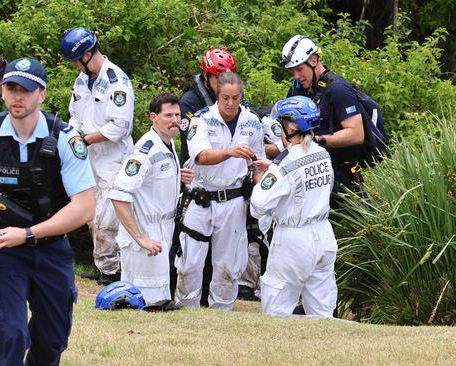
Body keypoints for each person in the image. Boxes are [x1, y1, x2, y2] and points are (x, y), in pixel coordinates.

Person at [0, 57, 96, 365]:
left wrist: (27, 234)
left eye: (26, 89)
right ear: (2, 90)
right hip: (3, 251)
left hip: (49, 249)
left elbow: (84, 207)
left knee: (51, 342)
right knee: (9, 334)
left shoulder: (65, 139)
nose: (17, 96)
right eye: (11, 88)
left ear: (42, 94)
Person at [176, 72, 265, 310]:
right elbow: (201, 156)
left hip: (234, 198)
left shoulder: (252, 122)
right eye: (225, 97)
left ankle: (222, 311)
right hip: (201, 196)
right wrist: (230, 152)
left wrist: (263, 192)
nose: (230, 103)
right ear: (218, 95)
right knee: (190, 261)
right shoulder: (202, 120)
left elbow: (258, 165)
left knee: (228, 263)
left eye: (235, 98)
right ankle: (186, 309)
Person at [250, 95, 338, 317]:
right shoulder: (323, 154)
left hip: (293, 240)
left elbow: (257, 206)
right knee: (322, 312)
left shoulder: (285, 163)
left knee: (276, 310)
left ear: (288, 126)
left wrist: (263, 176)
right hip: (324, 235)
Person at [60, 26, 134, 285]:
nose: (75, 68)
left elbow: (121, 126)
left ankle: (115, 270)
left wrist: (87, 138)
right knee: (91, 215)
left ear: (87, 55)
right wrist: (73, 137)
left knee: (108, 217)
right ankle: (103, 265)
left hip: (113, 158)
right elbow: (74, 115)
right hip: (88, 157)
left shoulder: (117, 81)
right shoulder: (81, 81)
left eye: (75, 62)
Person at [108, 93, 193, 304]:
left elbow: (153, 180)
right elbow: (118, 196)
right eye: (168, 115)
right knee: (146, 301)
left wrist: (177, 175)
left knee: (159, 301)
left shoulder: (168, 143)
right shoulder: (144, 151)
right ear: (153, 117)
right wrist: (140, 237)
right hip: (146, 232)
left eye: (177, 114)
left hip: (164, 230)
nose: (174, 120)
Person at [282, 35, 365, 208]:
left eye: (299, 69)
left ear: (313, 60)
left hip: (341, 174)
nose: (296, 76)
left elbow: (356, 134)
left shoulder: (339, 89)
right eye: (292, 72)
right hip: (310, 171)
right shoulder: (297, 91)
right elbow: (287, 127)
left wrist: (317, 141)